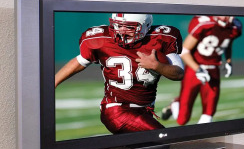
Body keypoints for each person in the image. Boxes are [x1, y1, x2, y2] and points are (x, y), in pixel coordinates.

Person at [54, 14, 184, 133]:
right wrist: (52, 83)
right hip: (117, 110)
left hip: (145, 110)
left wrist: (156, 66)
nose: (121, 31)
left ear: (146, 26)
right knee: (162, 137)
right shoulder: (101, 39)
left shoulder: (162, 38)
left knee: (144, 147)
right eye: (118, 25)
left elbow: (178, 74)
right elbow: (80, 61)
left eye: (129, 27)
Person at [161, 15, 242, 125]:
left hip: (213, 70)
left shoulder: (235, 27)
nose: (226, 17)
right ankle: (176, 103)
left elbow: (227, 42)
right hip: (194, 69)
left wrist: (228, 61)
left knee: (208, 115)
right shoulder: (204, 24)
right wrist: (198, 69)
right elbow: (184, 51)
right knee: (182, 120)